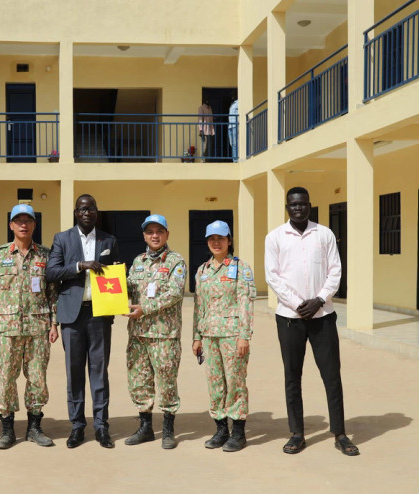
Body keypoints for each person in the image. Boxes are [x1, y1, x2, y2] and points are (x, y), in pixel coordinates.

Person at [265, 187, 360, 456]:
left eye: (303, 204)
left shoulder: (324, 234)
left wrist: (319, 299)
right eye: (293, 204)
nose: (298, 208)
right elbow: (272, 276)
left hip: (323, 316)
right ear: (287, 207)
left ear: (309, 205)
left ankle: (340, 434)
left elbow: (335, 271)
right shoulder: (275, 237)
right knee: (292, 376)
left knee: (331, 375)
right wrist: (298, 304)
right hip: (289, 318)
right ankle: (297, 433)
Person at [46, 194, 120, 449]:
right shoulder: (62, 239)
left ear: (97, 212)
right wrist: (79, 265)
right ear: (76, 213)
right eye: (82, 209)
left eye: (91, 209)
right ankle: (77, 426)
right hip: (72, 316)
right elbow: (51, 272)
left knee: (99, 373)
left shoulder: (109, 240)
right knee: (74, 373)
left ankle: (101, 426)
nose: (87, 213)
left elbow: (117, 273)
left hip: (100, 315)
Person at [0, 204, 59, 449]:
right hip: (7, 329)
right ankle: (7, 429)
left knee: (37, 378)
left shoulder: (45, 256)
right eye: (18, 221)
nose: (23, 225)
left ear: (34, 225)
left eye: (28, 221)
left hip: (38, 327)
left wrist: (54, 323)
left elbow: (52, 293)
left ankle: (34, 428)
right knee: (7, 378)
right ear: (11, 225)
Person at [192, 220, 256, 452]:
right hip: (209, 335)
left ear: (229, 240)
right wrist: (196, 336)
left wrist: (244, 336)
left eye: (220, 238)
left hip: (232, 335)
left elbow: (245, 303)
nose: (216, 242)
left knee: (235, 382)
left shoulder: (241, 268)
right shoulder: (202, 270)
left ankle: (238, 432)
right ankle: (221, 429)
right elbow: (199, 306)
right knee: (215, 383)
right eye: (212, 239)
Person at [124, 214, 187, 449]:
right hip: (138, 334)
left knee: (167, 381)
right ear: (144, 235)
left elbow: (174, 293)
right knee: (139, 381)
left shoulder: (176, 261)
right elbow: (129, 288)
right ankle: (146, 427)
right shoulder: (137, 262)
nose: (155, 236)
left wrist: (145, 309)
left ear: (167, 234)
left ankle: (168, 429)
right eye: (150, 232)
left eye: (159, 231)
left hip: (164, 335)